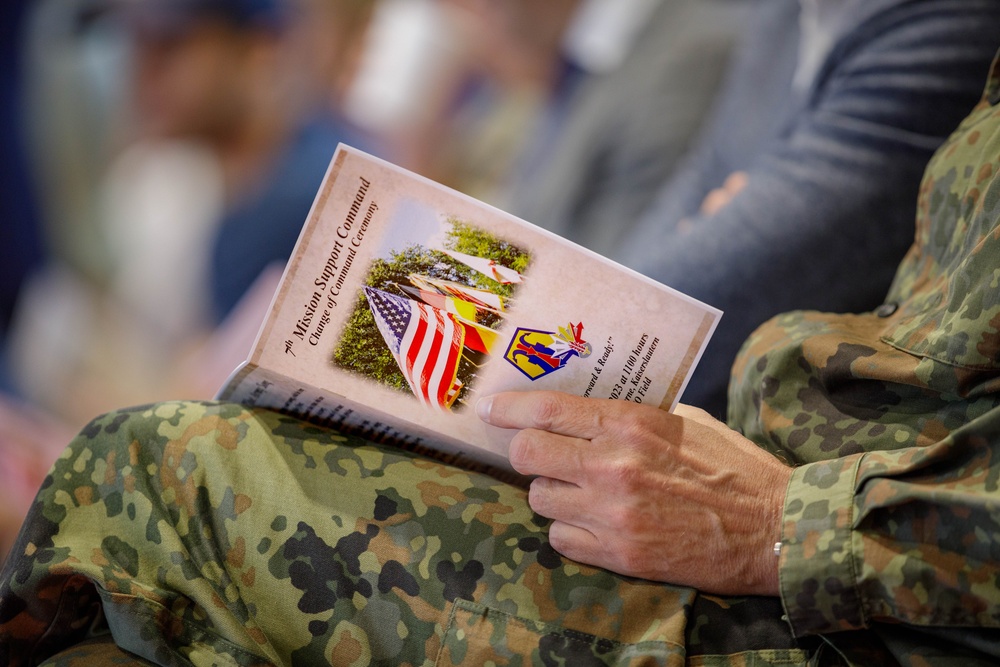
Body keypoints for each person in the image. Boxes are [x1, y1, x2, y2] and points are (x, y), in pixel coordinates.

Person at [3, 47, 1000, 665]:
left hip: (849, 594)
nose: (144, 76)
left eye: (170, 43)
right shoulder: (784, 29)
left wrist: (782, 525)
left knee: (148, 477)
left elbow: (717, 267)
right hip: (783, 471)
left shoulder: (692, 53)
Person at [610, 0, 1000, 419]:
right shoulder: (784, 13)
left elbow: (673, 315)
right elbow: (699, 176)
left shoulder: (945, 24)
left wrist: (710, 227)